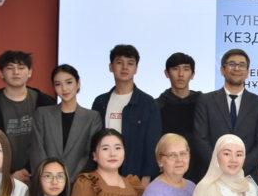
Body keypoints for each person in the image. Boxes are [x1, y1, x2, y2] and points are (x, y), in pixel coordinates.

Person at [193, 49, 258, 187]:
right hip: (213, 177)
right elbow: (200, 139)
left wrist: (238, 168)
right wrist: (220, 167)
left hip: (248, 177)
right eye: (232, 64)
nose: (237, 68)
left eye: (242, 65)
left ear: (247, 72)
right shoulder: (205, 101)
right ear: (222, 70)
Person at [0, 50, 55, 183]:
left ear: (30, 72)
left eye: (21, 68)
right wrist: (9, 174)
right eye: (10, 68)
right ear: (1, 73)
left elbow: (50, 142)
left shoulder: (45, 103)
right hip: (2, 176)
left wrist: (29, 169)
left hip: (38, 175)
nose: (16, 72)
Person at [91, 44, 161, 184]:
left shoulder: (148, 103)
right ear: (111, 67)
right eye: (119, 62)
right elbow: (93, 140)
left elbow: (153, 143)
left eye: (130, 63)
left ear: (136, 68)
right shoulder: (100, 102)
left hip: (135, 177)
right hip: (103, 174)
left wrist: (146, 177)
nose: (124, 67)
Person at [30, 64, 103, 180]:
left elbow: (91, 154)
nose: (64, 88)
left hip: (78, 182)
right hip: (47, 182)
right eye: (58, 84)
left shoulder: (92, 117)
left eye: (69, 82)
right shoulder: (42, 114)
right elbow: (37, 151)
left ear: (78, 83)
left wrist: (72, 180)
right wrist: (49, 178)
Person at [157, 52, 204, 183]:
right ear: (166, 73)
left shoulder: (204, 103)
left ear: (193, 74)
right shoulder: (157, 106)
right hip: (168, 172)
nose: (181, 74)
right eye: (175, 69)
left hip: (201, 171)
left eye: (186, 69)